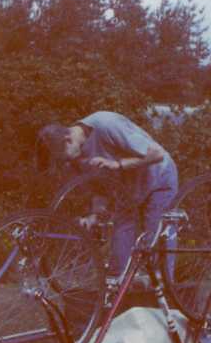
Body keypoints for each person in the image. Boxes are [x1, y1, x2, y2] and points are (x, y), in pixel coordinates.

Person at [36, 111, 178, 275]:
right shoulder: (75, 156)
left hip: (158, 179)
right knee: (120, 250)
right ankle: (121, 286)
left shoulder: (106, 124)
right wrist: (94, 216)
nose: (66, 163)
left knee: (155, 236)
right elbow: (99, 190)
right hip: (128, 193)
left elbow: (157, 154)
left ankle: (165, 285)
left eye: (64, 158)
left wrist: (118, 164)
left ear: (68, 140)